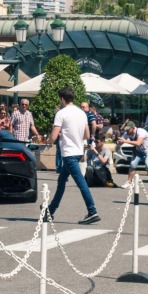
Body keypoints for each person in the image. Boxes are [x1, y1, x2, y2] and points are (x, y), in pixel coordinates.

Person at [48, 86, 100, 224]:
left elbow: (53, 138)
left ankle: (92, 210)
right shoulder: (81, 113)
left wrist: (53, 136)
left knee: (81, 182)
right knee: (61, 181)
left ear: (62, 99)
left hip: (68, 152)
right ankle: (50, 210)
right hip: (78, 151)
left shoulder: (61, 113)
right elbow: (87, 135)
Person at [118, 121, 148, 189]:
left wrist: (126, 141)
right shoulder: (127, 133)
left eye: (128, 129)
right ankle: (128, 182)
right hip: (139, 150)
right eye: (126, 129)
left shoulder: (140, 132)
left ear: (133, 127)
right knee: (133, 164)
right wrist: (119, 142)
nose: (126, 131)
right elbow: (121, 141)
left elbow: (138, 143)